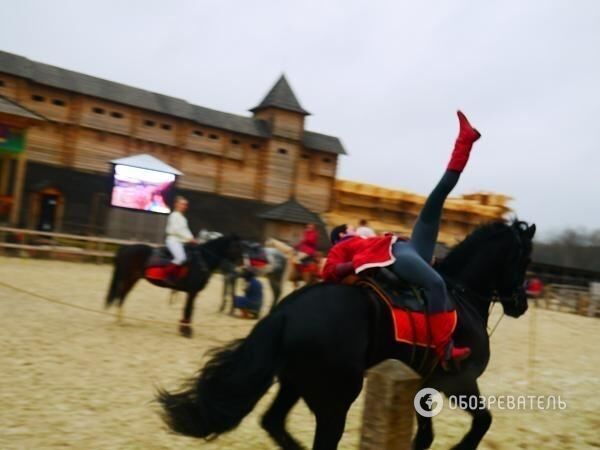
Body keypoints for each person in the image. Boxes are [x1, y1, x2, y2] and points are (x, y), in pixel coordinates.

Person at [322, 111, 481, 368]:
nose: (355, 228)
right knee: (437, 284)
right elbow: (328, 271)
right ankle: (445, 349)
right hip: (397, 255)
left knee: (436, 199)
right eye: (349, 228)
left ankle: (465, 141)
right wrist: (357, 264)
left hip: (408, 246)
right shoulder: (343, 246)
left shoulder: (367, 239)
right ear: (341, 236)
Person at [164, 196, 195, 283]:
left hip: (181, 242)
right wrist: (189, 238)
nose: (185, 206)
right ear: (176, 204)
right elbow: (177, 230)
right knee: (180, 258)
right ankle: (167, 275)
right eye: (182, 204)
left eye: (185, 205)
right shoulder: (174, 216)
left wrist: (192, 238)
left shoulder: (183, 218)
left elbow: (186, 230)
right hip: (173, 241)